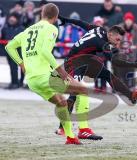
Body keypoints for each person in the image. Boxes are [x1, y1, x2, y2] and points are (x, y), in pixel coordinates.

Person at [5, 3, 88, 145]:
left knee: (61, 102)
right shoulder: (51, 28)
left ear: (42, 14)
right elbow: (45, 52)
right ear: (55, 17)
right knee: (83, 89)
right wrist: (61, 72)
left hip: (32, 80)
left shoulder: (28, 30)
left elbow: (9, 46)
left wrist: (21, 63)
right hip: (45, 77)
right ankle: (84, 129)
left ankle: (70, 137)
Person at [58, 15, 137, 105]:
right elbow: (115, 61)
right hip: (72, 63)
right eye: (117, 39)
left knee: (107, 75)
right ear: (110, 35)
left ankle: (131, 96)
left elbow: (81, 23)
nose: (118, 43)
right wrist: (132, 64)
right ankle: (68, 107)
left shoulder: (99, 29)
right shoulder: (102, 43)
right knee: (76, 90)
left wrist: (66, 20)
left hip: (83, 60)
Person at [116, 12, 137, 89]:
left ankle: (131, 86)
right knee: (121, 71)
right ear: (125, 20)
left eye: (130, 20)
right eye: (127, 20)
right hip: (122, 53)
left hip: (131, 54)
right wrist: (119, 49)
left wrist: (134, 51)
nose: (128, 21)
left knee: (131, 71)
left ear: (132, 21)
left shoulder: (135, 29)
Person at [1, 13, 25, 89]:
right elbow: (3, 39)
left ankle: (20, 82)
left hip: (20, 50)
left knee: (22, 67)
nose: (11, 19)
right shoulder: (5, 28)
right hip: (9, 51)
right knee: (12, 67)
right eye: (10, 17)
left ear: (17, 19)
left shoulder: (21, 28)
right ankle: (14, 82)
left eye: (13, 18)